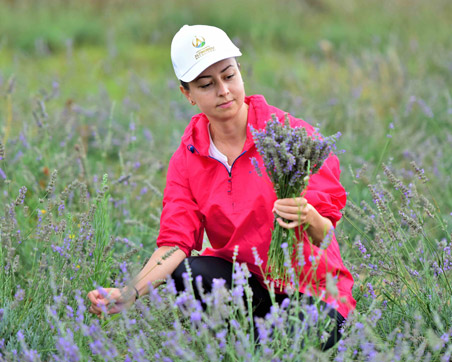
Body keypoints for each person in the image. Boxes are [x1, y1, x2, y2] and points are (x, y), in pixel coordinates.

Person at [87, 24, 356, 350]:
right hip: (248, 288)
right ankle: (249, 343)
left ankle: (251, 345)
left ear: (240, 72)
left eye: (229, 76)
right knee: (190, 273)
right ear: (187, 94)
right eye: (206, 84)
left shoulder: (292, 136)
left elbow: (324, 234)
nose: (223, 90)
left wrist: (308, 214)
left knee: (293, 341)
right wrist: (130, 293)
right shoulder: (187, 159)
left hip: (312, 292)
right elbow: (175, 242)